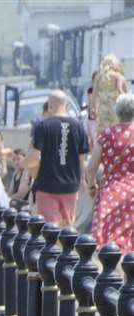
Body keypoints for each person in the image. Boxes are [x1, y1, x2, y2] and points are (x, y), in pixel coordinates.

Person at [30, 89, 90, 229]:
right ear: (66, 105)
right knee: (68, 228)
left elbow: (35, 156)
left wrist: (28, 168)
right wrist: (83, 180)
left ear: (50, 105)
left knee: (49, 229)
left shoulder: (42, 126)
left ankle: (53, 251)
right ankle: (65, 250)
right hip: (70, 186)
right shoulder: (78, 126)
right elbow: (82, 158)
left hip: (46, 185)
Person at [88, 93, 134, 251]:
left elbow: (91, 167)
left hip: (110, 193)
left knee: (106, 245)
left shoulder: (106, 135)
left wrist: (92, 187)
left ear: (117, 112)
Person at [88, 53, 128, 136]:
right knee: (116, 132)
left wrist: (92, 108)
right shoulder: (118, 77)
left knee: (102, 134)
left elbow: (94, 95)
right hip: (116, 111)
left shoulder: (98, 77)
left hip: (103, 111)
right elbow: (123, 93)